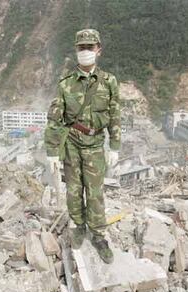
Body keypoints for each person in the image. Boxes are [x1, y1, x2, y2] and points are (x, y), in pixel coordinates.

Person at [44, 29, 121, 264]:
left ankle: (98, 235)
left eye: (90, 47)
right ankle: (78, 226)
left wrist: (115, 146)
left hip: (96, 145)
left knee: (96, 194)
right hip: (72, 145)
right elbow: (55, 119)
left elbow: (115, 114)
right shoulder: (66, 84)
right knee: (74, 191)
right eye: (81, 48)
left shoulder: (109, 82)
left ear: (99, 50)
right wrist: (52, 152)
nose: (85, 52)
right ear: (76, 51)